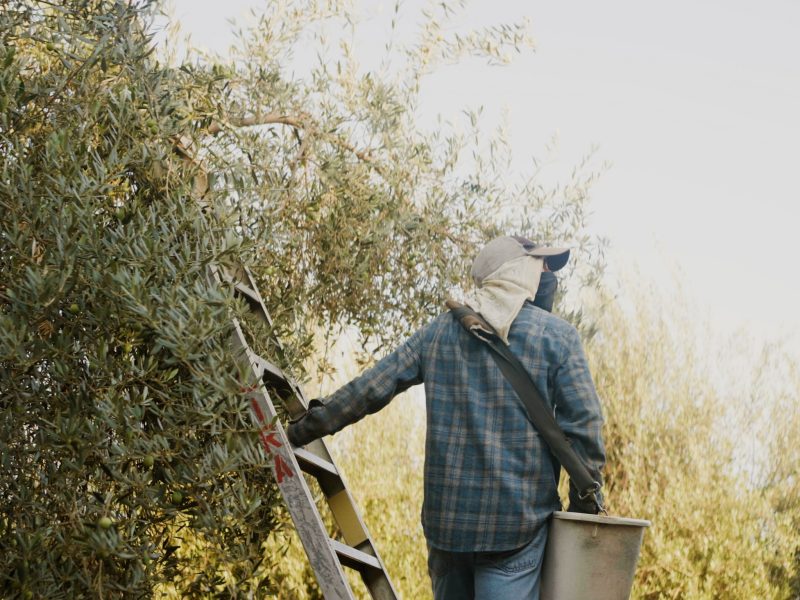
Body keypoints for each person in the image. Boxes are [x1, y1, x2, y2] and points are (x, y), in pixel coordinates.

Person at [287, 235, 606, 600]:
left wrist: (301, 430)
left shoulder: (438, 333)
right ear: (518, 271)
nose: (545, 275)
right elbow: (585, 430)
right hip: (516, 530)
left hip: (447, 532)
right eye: (541, 266)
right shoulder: (558, 337)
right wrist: (582, 510)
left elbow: (370, 389)